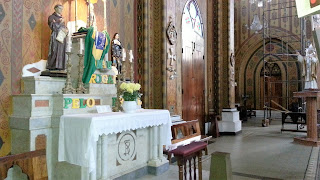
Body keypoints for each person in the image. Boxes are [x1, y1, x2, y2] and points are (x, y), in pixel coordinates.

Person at [47, 4, 68, 70]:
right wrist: (59, 22)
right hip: (55, 36)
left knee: (61, 52)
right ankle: (52, 66)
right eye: (59, 8)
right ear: (55, 9)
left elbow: (64, 27)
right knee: (54, 50)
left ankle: (60, 66)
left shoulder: (62, 18)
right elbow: (53, 27)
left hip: (62, 37)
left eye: (62, 9)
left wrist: (66, 30)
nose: (61, 10)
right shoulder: (51, 17)